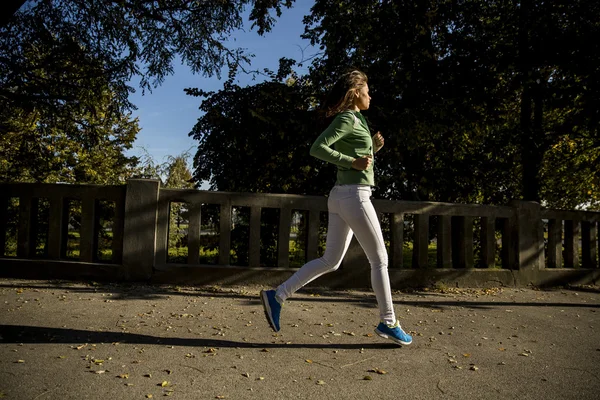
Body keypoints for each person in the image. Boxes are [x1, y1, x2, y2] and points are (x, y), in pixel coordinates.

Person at [260, 70, 412, 346]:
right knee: (380, 260)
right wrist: (350, 162)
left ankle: (277, 296)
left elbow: (358, 161)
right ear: (355, 93)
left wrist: (372, 151)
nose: (370, 95)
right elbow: (318, 148)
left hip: (343, 196)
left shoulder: (359, 121)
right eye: (367, 90)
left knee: (331, 261)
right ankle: (389, 321)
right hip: (354, 197)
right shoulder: (347, 119)